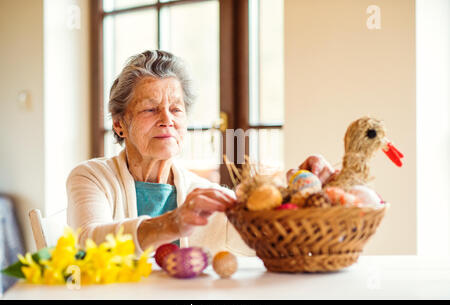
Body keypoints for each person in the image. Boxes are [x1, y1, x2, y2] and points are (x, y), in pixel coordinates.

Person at [66, 50, 335, 256]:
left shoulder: (202, 193)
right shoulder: (90, 177)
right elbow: (86, 244)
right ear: (118, 123)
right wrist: (171, 224)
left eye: (176, 109)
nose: (166, 119)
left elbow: (266, 239)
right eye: (150, 109)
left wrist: (298, 195)